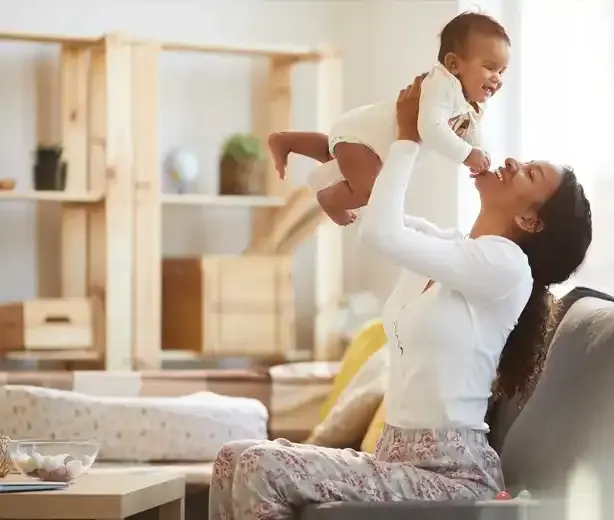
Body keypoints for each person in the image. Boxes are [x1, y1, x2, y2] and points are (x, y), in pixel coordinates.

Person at [208, 75, 592, 520]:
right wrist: (429, 123)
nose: (510, 162)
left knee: (260, 464)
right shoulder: (450, 249)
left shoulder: (506, 269)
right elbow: (378, 204)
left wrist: (409, 137)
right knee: (231, 456)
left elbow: (383, 233)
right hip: (394, 459)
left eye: (529, 173)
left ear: (531, 220)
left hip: (454, 476)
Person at [267, 11, 510, 226]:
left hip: (371, 143)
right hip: (363, 136)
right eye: (490, 68)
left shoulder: (471, 103)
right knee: (370, 190)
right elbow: (431, 128)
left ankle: (287, 141)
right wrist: (467, 154)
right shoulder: (440, 86)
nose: (497, 78)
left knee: (334, 155)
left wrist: (481, 154)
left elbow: (470, 131)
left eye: (502, 71)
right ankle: (328, 199)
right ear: (454, 64)